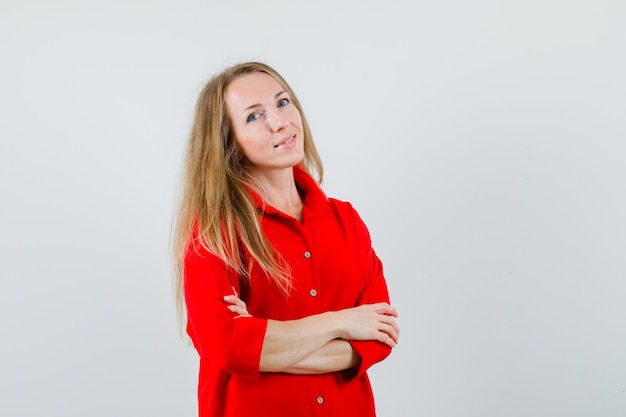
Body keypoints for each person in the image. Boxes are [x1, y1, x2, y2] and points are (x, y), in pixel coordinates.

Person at [172, 61, 400, 417]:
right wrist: (340, 322)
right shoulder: (214, 233)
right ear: (229, 143)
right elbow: (224, 345)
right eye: (253, 116)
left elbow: (378, 336)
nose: (279, 122)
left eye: (282, 102)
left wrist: (262, 340)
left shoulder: (347, 221)